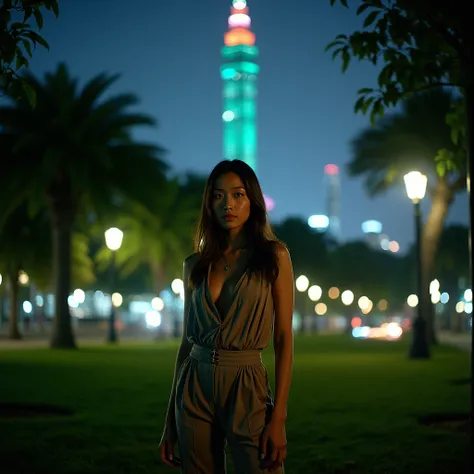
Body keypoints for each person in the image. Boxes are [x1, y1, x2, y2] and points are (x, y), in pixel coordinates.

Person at [159, 159, 294, 473]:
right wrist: (170, 422)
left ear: (253, 201)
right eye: (218, 196)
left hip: (246, 381)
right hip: (194, 384)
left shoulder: (274, 257)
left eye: (238, 195)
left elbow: (284, 337)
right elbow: (185, 344)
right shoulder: (194, 264)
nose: (228, 204)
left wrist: (279, 419)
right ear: (209, 203)